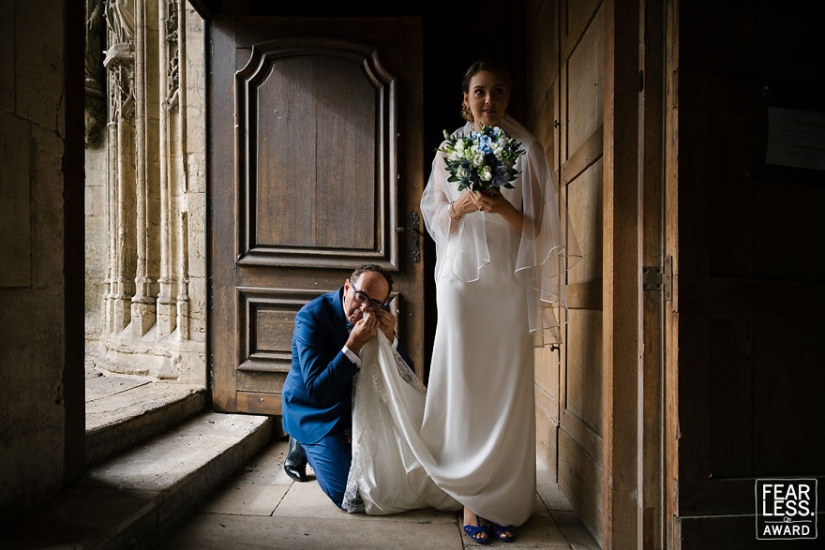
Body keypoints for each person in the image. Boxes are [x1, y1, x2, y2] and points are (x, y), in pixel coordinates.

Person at [416, 60, 578, 543]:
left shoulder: (529, 151)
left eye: (499, 92)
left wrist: (502, 208)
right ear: (464, 99)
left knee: (507, 386)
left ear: (508, 99)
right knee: (467, 384)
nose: (489, 101)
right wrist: (461, 206)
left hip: (507, 284)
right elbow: (433, 216)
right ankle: (471, 497)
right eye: (480, 92)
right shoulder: (448, 150)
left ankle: (505, 499)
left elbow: (542, 232)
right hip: (462, 284)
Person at [280, 264, 412, 507]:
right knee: (350, 496)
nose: (364, 309)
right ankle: (300, 440)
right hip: (315, 411)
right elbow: (318, 393)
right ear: (348, 287)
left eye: (375, 303)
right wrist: (352, 344)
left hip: (358, 405)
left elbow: (407, 377)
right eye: (361, 297)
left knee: (401, 476)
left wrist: (391, 339)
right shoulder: (311, 317)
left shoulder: (376, 317)